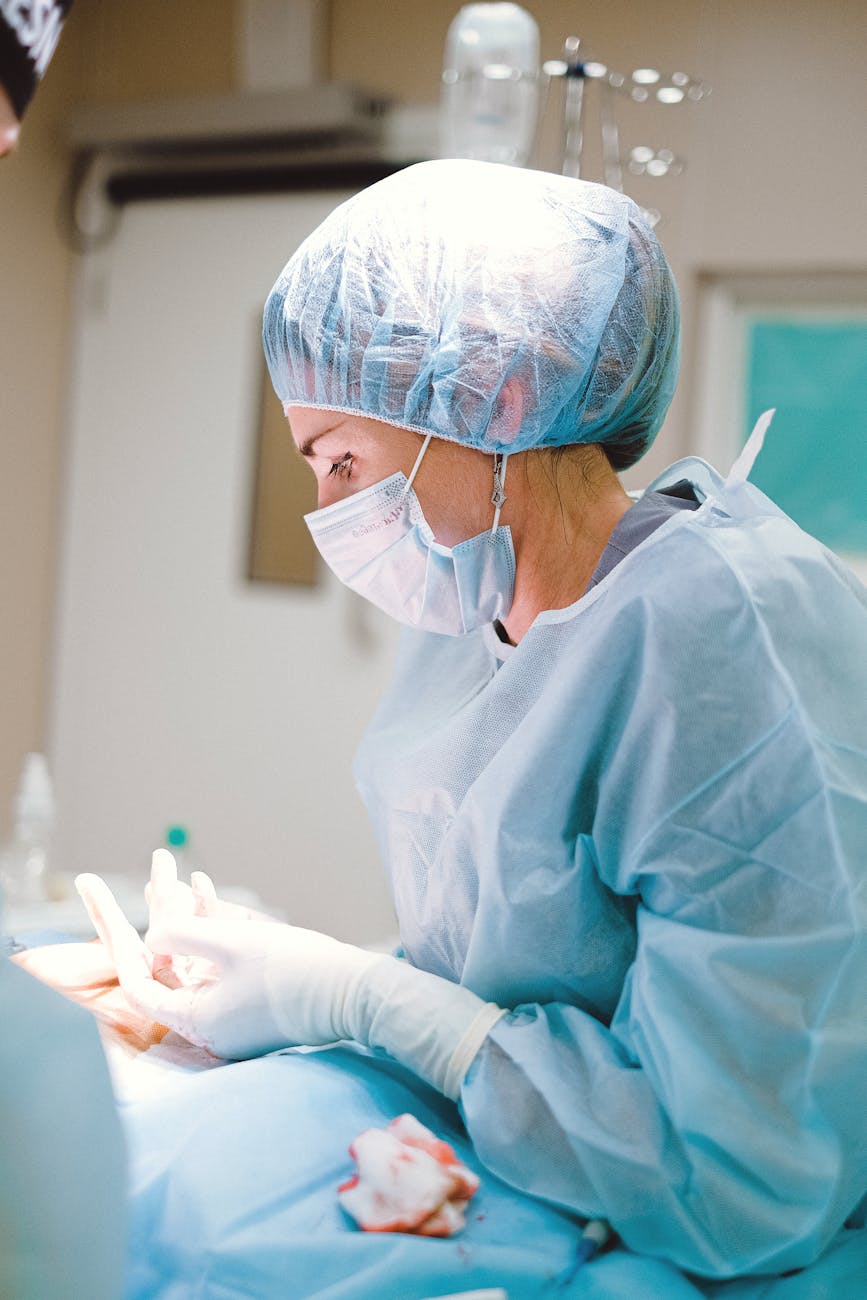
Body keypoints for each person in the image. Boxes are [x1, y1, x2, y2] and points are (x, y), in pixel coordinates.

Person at [77, 159, 867, 1283]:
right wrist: (307, 987)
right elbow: (514, 965)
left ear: (493, 398)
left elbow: (746, 1172)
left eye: (344, 461)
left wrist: (360, 995)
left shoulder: (727, 637)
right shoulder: (481, 617)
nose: (333, 513)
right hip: (532, 1168)